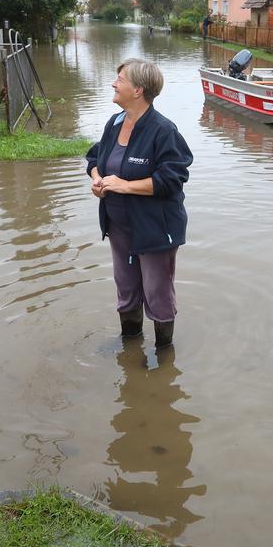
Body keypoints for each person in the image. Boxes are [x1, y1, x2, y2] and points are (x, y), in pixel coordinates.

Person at [87, 59, 194, 349]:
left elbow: (173, 178)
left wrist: (124, 185)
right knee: (126, 289)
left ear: (137, 89)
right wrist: (98, 180)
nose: (113, 83)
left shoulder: (163, 131)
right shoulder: (115, 122)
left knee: (157, 292)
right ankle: (130, 346)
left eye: (119, 79)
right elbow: (95, 159)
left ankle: (163, 358)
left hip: (154, 228)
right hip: (119, 226)